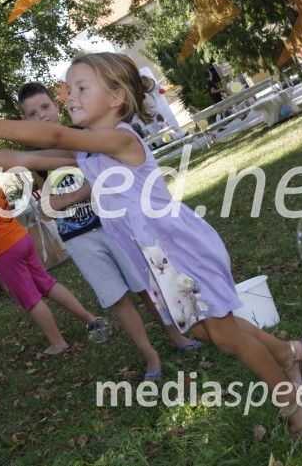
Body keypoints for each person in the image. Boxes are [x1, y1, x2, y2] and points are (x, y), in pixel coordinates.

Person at [0, 52, 302, 441]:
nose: (68, 96)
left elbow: (53, 134)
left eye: (81, 87)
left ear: (116, 98)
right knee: (204, 329)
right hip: (154, 257)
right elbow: (24, 157)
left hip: (179, 248)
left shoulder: (122, 139)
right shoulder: (88, 149)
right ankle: (287, 353)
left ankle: (292, 401)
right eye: (68, 88)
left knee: (225, 333)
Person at [17, 82, 201, 379]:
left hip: (113, 222)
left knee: (145, 286)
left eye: (45, 108)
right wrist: (54, 204)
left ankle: (175, 335)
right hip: (78, 237)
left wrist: (72, 197)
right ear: (25, 120)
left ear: (56, 104)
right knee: (116, 297)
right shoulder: (36, 158)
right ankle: (150, 356)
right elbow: (48, 202)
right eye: (32, 114)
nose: (41, 117)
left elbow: (105, 178)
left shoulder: (82, 134)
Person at [0, 165, 109, 356]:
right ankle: (89, 319)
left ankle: (58, 343)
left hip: (4, 249)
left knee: (30, 298)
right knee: (46, 283)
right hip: (20, 239)